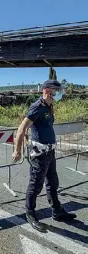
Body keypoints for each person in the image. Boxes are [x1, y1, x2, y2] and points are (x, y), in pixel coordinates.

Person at [12, 79, 76, 232]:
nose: (59, 94)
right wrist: (17, 150)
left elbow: (40, 126)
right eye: (57, 91)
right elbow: (21, 129)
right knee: (36, 184)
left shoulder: (49, 106)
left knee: (53, 182)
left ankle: (57, 211)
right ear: (47, 91)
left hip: (50, 151)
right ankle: (30, 213)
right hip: (40, 153)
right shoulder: (37, 107)